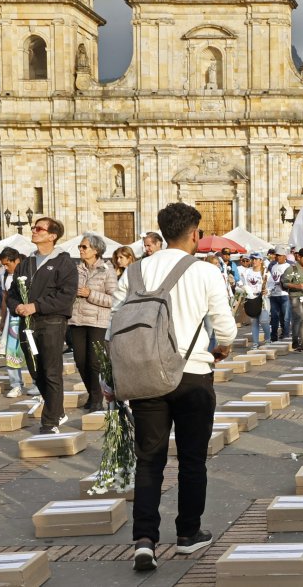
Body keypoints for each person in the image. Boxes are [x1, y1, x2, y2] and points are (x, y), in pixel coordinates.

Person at [110, 202, 236, 572]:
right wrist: (222, 348)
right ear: (195, 234)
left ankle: (145, 540)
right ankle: (187, 534)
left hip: (145, 375)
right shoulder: (204, 271)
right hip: (192, 374)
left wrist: (112, 376)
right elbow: (225, 326)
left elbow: (113, 328)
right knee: (192, 458)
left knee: (149, 461)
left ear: (161, 232)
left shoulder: (134, 271)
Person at [8, 217, 77, 434]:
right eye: (33, 228)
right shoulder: (26, 263)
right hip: (27, 325)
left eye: (39, 228)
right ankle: (57, 410)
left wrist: (36, 306)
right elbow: (11, 294)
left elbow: (66, 296)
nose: (34, 231)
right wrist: (17, 306)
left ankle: (49, 422)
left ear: (52, 235)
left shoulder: (64, 262)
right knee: (36, 371)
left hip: (52, 322)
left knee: (51, 371)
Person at [68, 233, 117, 413]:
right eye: (80, 247)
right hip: (76, 320)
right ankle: (93, 393)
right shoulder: (75, 269)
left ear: (96, 250)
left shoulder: (107, 270)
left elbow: (114, 299)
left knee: (94, 362)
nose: (80, 250)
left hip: (98, 321)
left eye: (84, 247)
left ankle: (96, 398)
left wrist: (90, 294)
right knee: (80, 360)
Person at [0, 248, 31, 398]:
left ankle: (38, 383)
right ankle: (16, 384)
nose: (5, 267)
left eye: (7, 264)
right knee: (10, 352)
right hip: (12, 320)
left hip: (28, 317)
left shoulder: (28, 272)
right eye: (3, 265)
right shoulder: (5, 276)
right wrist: (3, 319)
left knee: (31, 351)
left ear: (16, 260)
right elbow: (5, 298)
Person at [282, 248, 303, 353]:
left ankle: (302, 344)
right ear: (299, 257)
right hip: (295, 296)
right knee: (298, 318)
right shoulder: (292, 268)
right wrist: (297, 286)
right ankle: (295, 341)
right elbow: (285, 283)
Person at [242, 254, 268, 349]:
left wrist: (268, 290)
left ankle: (268, 338)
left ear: (261, 260)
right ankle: (255, 343)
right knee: (254, 321)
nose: (254, 261)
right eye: (252, 259)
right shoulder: (247, 271)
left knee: (264, 321)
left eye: (256, 259)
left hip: (263, 298)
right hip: (250, 298)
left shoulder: (265, 271)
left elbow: (271, 283)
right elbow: (243, 283)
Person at [266, 248, 292, 342]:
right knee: (274, 317)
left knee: (285, 317)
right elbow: (271, 279)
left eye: (279, 255)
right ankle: (273, 337)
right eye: (276, 255)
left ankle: (285, 335)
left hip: (285, 294)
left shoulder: (289, 267)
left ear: (284, 256)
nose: (277, 257)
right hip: (274, 295)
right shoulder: (273, 267)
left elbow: (290, 280)